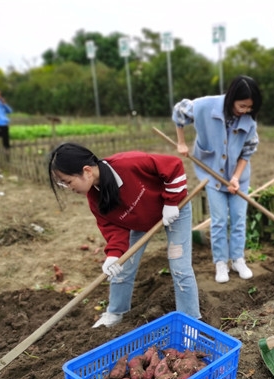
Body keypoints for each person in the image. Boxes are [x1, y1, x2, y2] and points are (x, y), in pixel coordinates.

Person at [48, 143, 201, 327]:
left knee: (179, 266)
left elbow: (173, 165)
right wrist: (113, 255)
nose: (67, 187)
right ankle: (115, 313)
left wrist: (171, 202)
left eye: (67, 181)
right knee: (121, 267)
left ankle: (191, 320)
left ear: (87, 171)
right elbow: (113, 228)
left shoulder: (128, 164)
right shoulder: (95, 199)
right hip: (140, 221)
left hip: (175, 210)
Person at [172, 75, 262, 283]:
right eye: (242, 105)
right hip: (211, 174)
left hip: (238, 177)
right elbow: (179, 112)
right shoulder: (205, 106)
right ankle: (221, 263)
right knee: (220, 220)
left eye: (250, 107)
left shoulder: (249, 122)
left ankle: (238, 259)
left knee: (239, 219)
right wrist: (181, 143)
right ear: (232, 98)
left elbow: (246, 153)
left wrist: (236, 178)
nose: (245, 110)